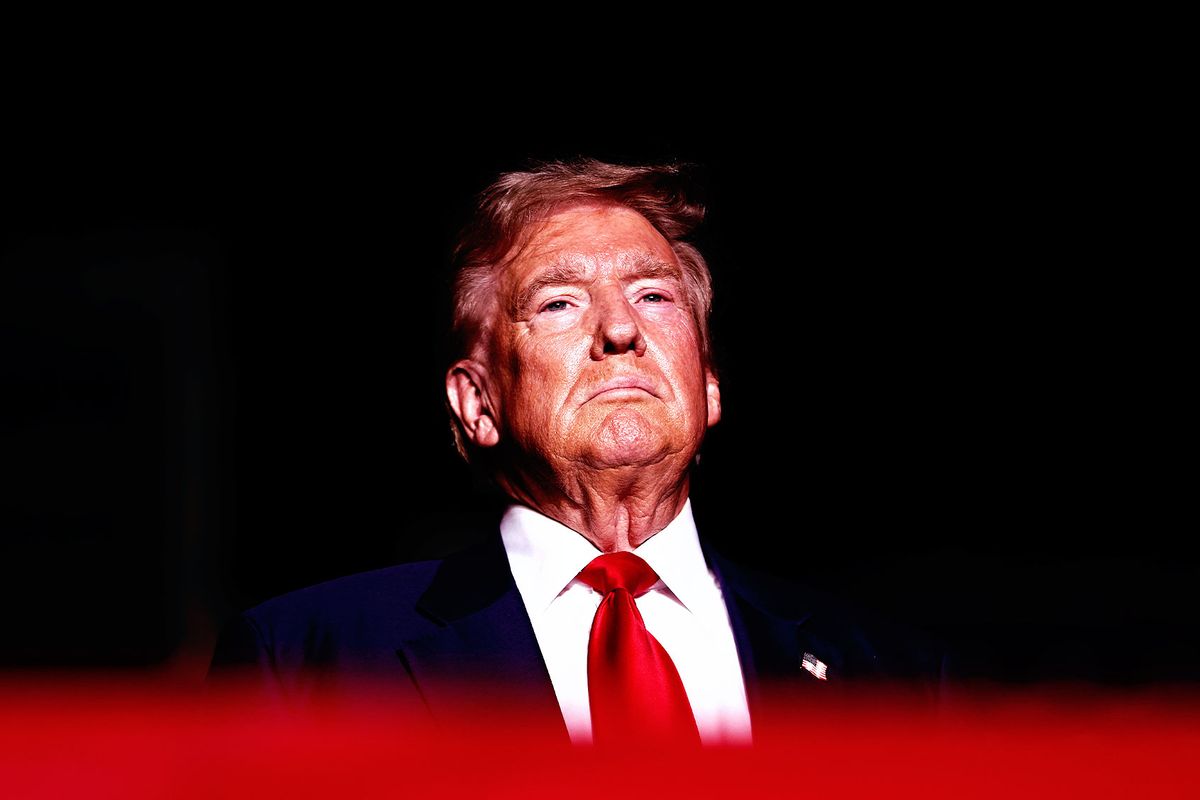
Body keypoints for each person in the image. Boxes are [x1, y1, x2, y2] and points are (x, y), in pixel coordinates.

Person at [207, 158, 948, 745]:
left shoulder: (891, 674)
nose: (620, 330)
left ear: (711, 384)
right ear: (478, 403)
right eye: (560, 303)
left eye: (655, 295)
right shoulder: (307, 659)